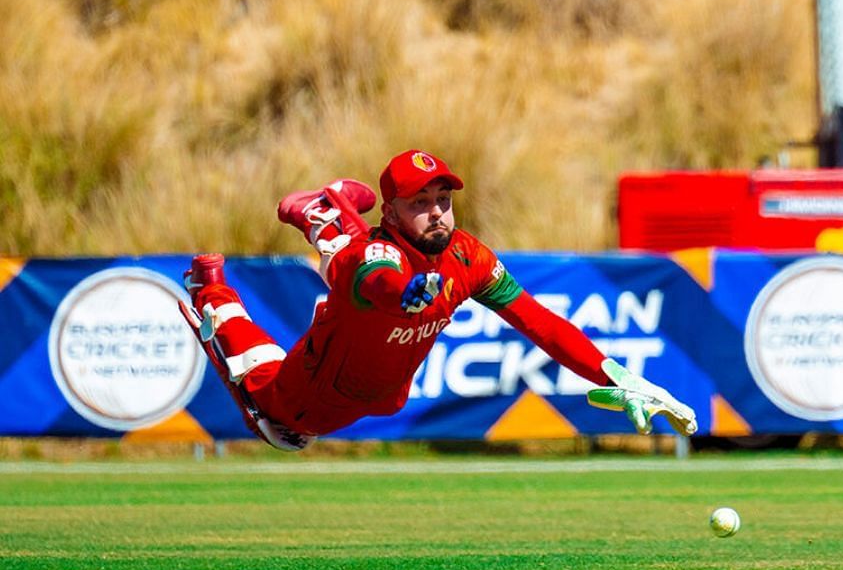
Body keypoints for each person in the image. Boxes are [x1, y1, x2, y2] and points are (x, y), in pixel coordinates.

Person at [180, 149, 697, 450]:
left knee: (351, 282)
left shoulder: (468, 257)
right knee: (268, 391)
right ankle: (211, 287)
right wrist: (403, 294)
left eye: (444, 201)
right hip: (304, 402)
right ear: (392, 210)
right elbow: (381, 280)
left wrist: (617, 375)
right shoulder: (381, 256)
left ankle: (326, 214)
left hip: (381, 389)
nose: (438, 214)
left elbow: (540, 323)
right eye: (420, 203)